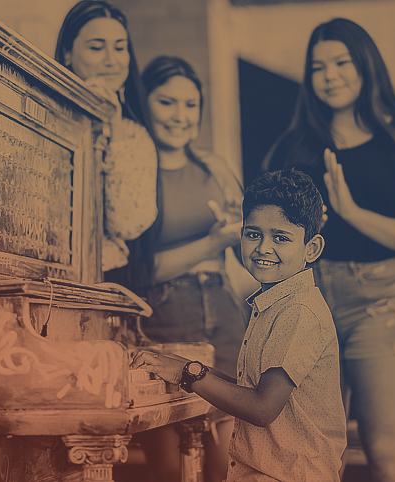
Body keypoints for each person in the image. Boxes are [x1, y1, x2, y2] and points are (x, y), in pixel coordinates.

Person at [262, 18, 395, 482]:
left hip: (382, 302)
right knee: (308, 453)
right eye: (318, 67)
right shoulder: (295, 146)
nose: (330, 75)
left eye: (341, 62)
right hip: (309, 301)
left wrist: (352, 214)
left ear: (366, 64)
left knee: (385, 452)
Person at [132, 169, 347, 482]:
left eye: (282, 238)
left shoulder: (299, 311)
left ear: (311, 249)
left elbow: (261, 408)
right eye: (253, 234)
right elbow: (252, 391)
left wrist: (187, 373)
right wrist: (185, 366)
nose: (263, 248)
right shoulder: (274, 302)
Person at [136, 56, 249, 482]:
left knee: (228, 462)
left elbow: (245, 248)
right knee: (170, 468)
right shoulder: (135, 173)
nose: (180, 116)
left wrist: (244, 230)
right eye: (168, 103)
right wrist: (213, 240)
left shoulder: (213, 167)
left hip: (223, 314)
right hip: (162, 319)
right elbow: (138, 271)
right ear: (144, 104)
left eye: (190, 105)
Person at [55, 0, 158, 289]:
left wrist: (113, 128)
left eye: (120, 47)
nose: (111, 59)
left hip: (110, 277)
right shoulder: (41, 116)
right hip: (45, 273)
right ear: (66, 53)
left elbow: (128, 223)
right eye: (96, 47)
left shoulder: (133, 135)